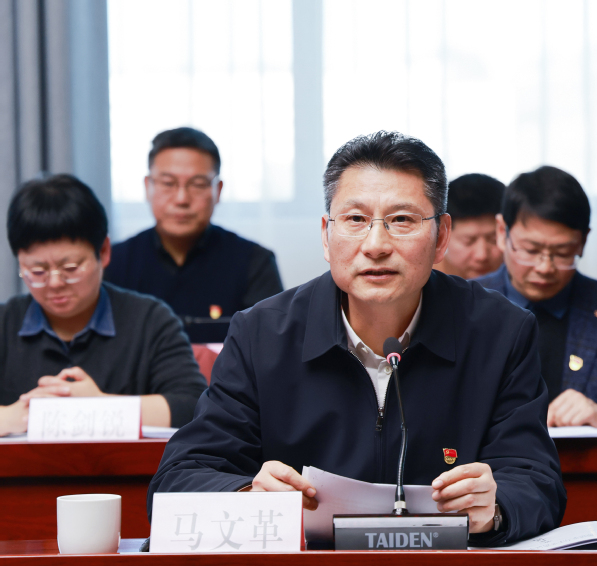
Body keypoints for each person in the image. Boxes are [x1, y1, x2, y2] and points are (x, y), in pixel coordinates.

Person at [148, 131, 566, 546]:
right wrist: (248, 497)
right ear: (326, 235)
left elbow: (536, 480)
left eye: (402, 220)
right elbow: (179, 478)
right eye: (355, 220)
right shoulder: (262, 334)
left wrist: (496, 507)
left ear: (441, 237)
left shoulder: (500, 332)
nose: (376, 244)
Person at [0, 175, 208, 436]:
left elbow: (193, 405)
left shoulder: (150, 320)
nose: (55, 283)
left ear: (104, 252)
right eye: (37, 270)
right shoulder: (4, 323)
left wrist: (99, 406)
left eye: (70, 268)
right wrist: (14, 415)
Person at [475, 165, 597, 432]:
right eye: (531, 250)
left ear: (583, 241)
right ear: (502, 232)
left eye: (563, 253)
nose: (545, 267)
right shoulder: (462, 305)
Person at [104, 127, 283, 343]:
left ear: (218, 190)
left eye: (197, 184)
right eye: (168, 183)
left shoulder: (254, 262)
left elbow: (271, 349)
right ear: (147, 187)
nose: (181, 199)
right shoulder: (113, 263)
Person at [435, 173, 505, 279]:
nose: (482, 256)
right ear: (442, 236)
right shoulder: (422, 283)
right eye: (468, 241)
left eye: (494, 240)